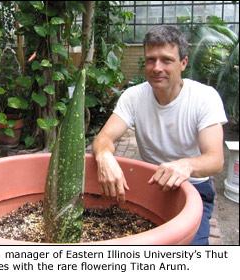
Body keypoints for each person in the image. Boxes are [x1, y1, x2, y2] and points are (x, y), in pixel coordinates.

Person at [92, 25, 228, 245]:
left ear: (183, 63)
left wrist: (185, 165)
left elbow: (215, 160)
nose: (156, 68)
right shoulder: (133, 96)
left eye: (166, 60)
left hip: (194, 186)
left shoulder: (204, 98)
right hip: (152, 185)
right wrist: (105, 156)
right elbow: (103, 138)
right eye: (150, 60)